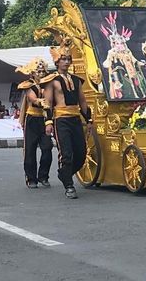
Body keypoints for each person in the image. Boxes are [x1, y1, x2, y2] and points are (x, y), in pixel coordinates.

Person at [44, 41, 92, 199]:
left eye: (68, 59)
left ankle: (65, 174)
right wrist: (48, 122)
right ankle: (69, 185)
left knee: (82, 153)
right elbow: (48, 103)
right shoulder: (52, 81)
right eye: (63, 59)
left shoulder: (77, 80)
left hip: (75, 118)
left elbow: (83, 102)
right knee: (66, 153)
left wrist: (89, 120)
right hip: (61, 119)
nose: (66, 62)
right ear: (57, 62)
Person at [16, 58, 54, 189]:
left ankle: (43, 176)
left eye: (43, 70)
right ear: (32, 73)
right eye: (38, 71)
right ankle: (31, 178)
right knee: (30, 150)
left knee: (47, 147)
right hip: (32, 118)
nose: (41, 73)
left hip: (45, 119)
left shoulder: (49, 84)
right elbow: (32, 98)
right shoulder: (29, 85)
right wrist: (40, 101)